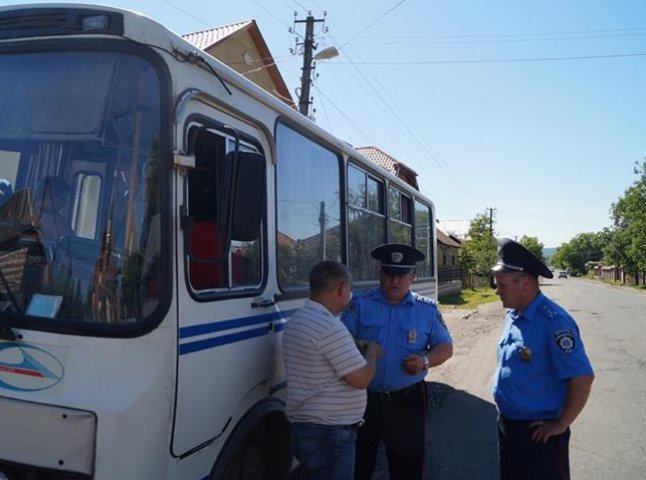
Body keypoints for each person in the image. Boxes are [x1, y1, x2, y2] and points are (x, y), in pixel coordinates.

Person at [341, 243, 453, 480]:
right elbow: (340, 340)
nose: (395, 280)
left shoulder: (427, 310)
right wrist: (365, 347)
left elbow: (445, 347)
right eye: (389, 273)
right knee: (357, 465)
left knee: (407, 467)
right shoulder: (360, 305)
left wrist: (424, 360)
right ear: (380, 274)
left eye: (402, 274)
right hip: (362, 400)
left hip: (407, 400)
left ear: (413, 276)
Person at [491, 238, 594, 480]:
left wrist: (560, 424)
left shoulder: (554, 323)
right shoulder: (513, 315)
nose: (497, 291)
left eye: (502, 285)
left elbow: (582, 377)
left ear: (525, 283)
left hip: (539, 434)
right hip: (508, 426)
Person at [283, 261, 383, 480]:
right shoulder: (330, 327)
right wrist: (372, 355)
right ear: (342, 288)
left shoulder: (298, 320)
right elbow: (361, 379)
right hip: (329, 433)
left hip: (306, 428)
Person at [33, 176, 74, 244]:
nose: (64, 203)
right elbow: (73, 246)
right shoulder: (54, 221)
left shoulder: (23, 213)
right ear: (48, 193)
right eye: (62, 198)